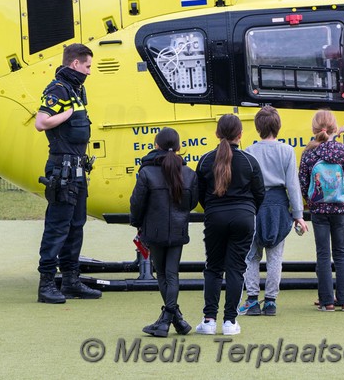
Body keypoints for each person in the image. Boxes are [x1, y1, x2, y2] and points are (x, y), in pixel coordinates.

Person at [35, 43, 101, 303]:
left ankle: (71, 280)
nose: (89, 71)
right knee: (57, 227)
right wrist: (67, 114)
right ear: (75, 64)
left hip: (76, 170)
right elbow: (41, 122)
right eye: (87, 66)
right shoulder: (58, 90)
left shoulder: (76, 89)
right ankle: (46, 284)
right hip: (62, 169)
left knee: (76, 226)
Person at [195, 114, 265, 335]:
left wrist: (213, 209)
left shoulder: (206, 160)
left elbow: (200, 194)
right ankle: (230, 321)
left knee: (214, 268)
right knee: (236, 269)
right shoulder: (248, 161)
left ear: (217, 133)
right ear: (240, 134)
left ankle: (208, 320)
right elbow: (260, 193)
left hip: (215, 216)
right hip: (244, 217)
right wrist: (248, 210)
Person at [239, 107, 308, 317]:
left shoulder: (249, 151)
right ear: (278, 126)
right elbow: (293, 185)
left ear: (257, 127)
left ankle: (252, 300)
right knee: (275, 256)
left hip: (255, 205)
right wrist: (298, 214)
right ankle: (270, 301)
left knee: (251, 255)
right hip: (279, 206)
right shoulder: (287, 151)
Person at [130, 128, 199, 337]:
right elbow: (193, 202)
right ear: (178, 147)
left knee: (162, 274)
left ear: (156, 145)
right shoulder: (188, 173)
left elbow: (137, 203)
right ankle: (176, 319)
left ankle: (166, 320)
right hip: (178, 228)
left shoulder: (146, 172)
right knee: (172, 273)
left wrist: (137, 224)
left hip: (154, 229)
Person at [299, 110, 344, 312]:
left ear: (315, 129)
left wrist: (311, 201)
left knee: (323, 254)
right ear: (335, 128)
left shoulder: (310, 153)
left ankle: (327, 301)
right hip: (340, 208)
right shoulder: (343, 151)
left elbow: (303, 182)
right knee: (340, 253)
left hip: (319, 209)